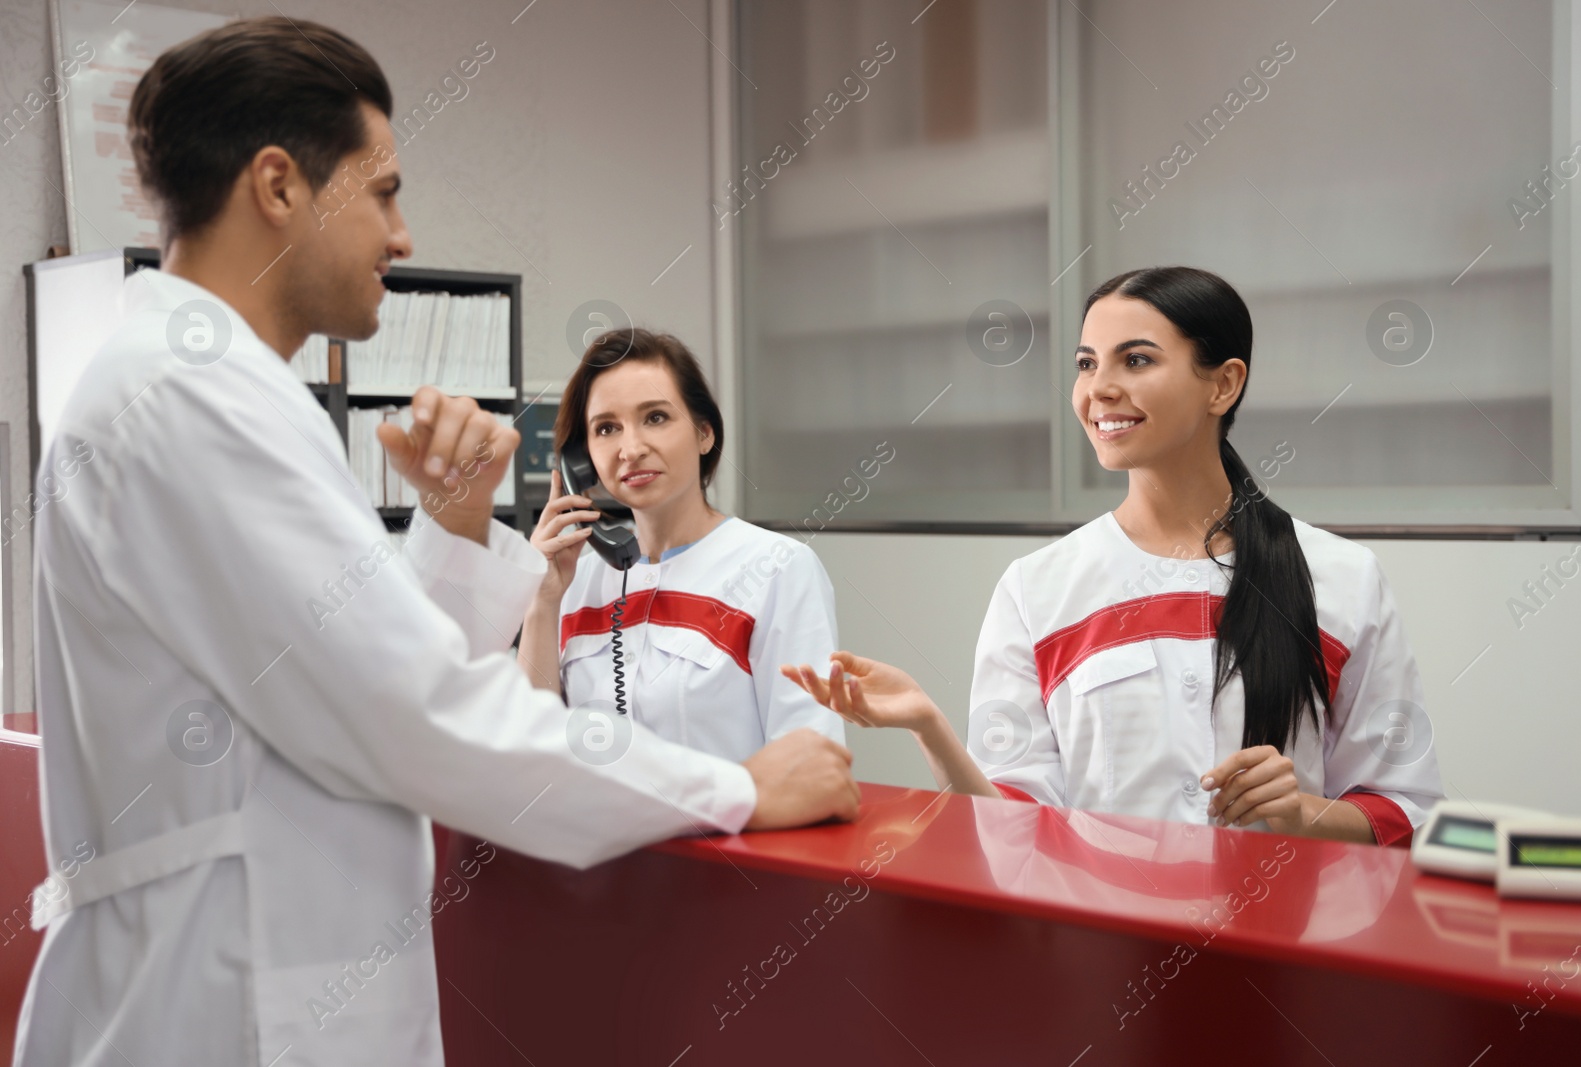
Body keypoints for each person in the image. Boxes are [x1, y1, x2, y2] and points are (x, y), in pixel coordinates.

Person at [16, 17, 856, 1066]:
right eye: (383, 192)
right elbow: (410, 712)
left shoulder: (207, 386)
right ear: (278, 185)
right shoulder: (192, 396)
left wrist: (455, 529)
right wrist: (736, 787)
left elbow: (328, 673)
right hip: (226, 1006)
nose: (402, 236)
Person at [784, 266, 1443, 846]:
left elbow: (1403, 808)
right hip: (1101, 963)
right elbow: (1011, 834)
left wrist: (1308, 815)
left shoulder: (1342, 580)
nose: (1098, 388)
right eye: (1085, 363)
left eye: (1135, 360)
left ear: (1223, 384)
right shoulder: (1037, 589)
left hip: (1284, 965)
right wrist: (929, 725)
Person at [518, 328, 845, 760]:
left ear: (704, 433)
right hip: (594, 827)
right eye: (607, 428)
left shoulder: (777, 567)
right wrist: (542, 602)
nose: (630, 449)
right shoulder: (573, 580)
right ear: (582, 460)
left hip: (737, 829)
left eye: (655, 417)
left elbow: (811, 764)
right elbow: (530, 753)